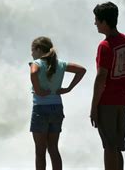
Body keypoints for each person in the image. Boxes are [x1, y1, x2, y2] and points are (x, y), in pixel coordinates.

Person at [90, 2, 125, 170]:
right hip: (123, 101)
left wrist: (94, 107)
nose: (95, 23)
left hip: (107, 102)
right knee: (117, 146)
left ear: (104, 22)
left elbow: (101, 77)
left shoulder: (105, 46)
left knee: (109, 147)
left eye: (96, 19)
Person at [29, 36, 86, 170]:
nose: (31, 54)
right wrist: (69, 88)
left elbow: (33, 72)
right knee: (53, 149)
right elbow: (82, 70)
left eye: (32, 51)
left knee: (40, 151)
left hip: (40, 109)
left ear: (38, 49)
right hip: (57, 108)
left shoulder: (36, 63)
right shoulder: (60, 63)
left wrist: (38, 90)